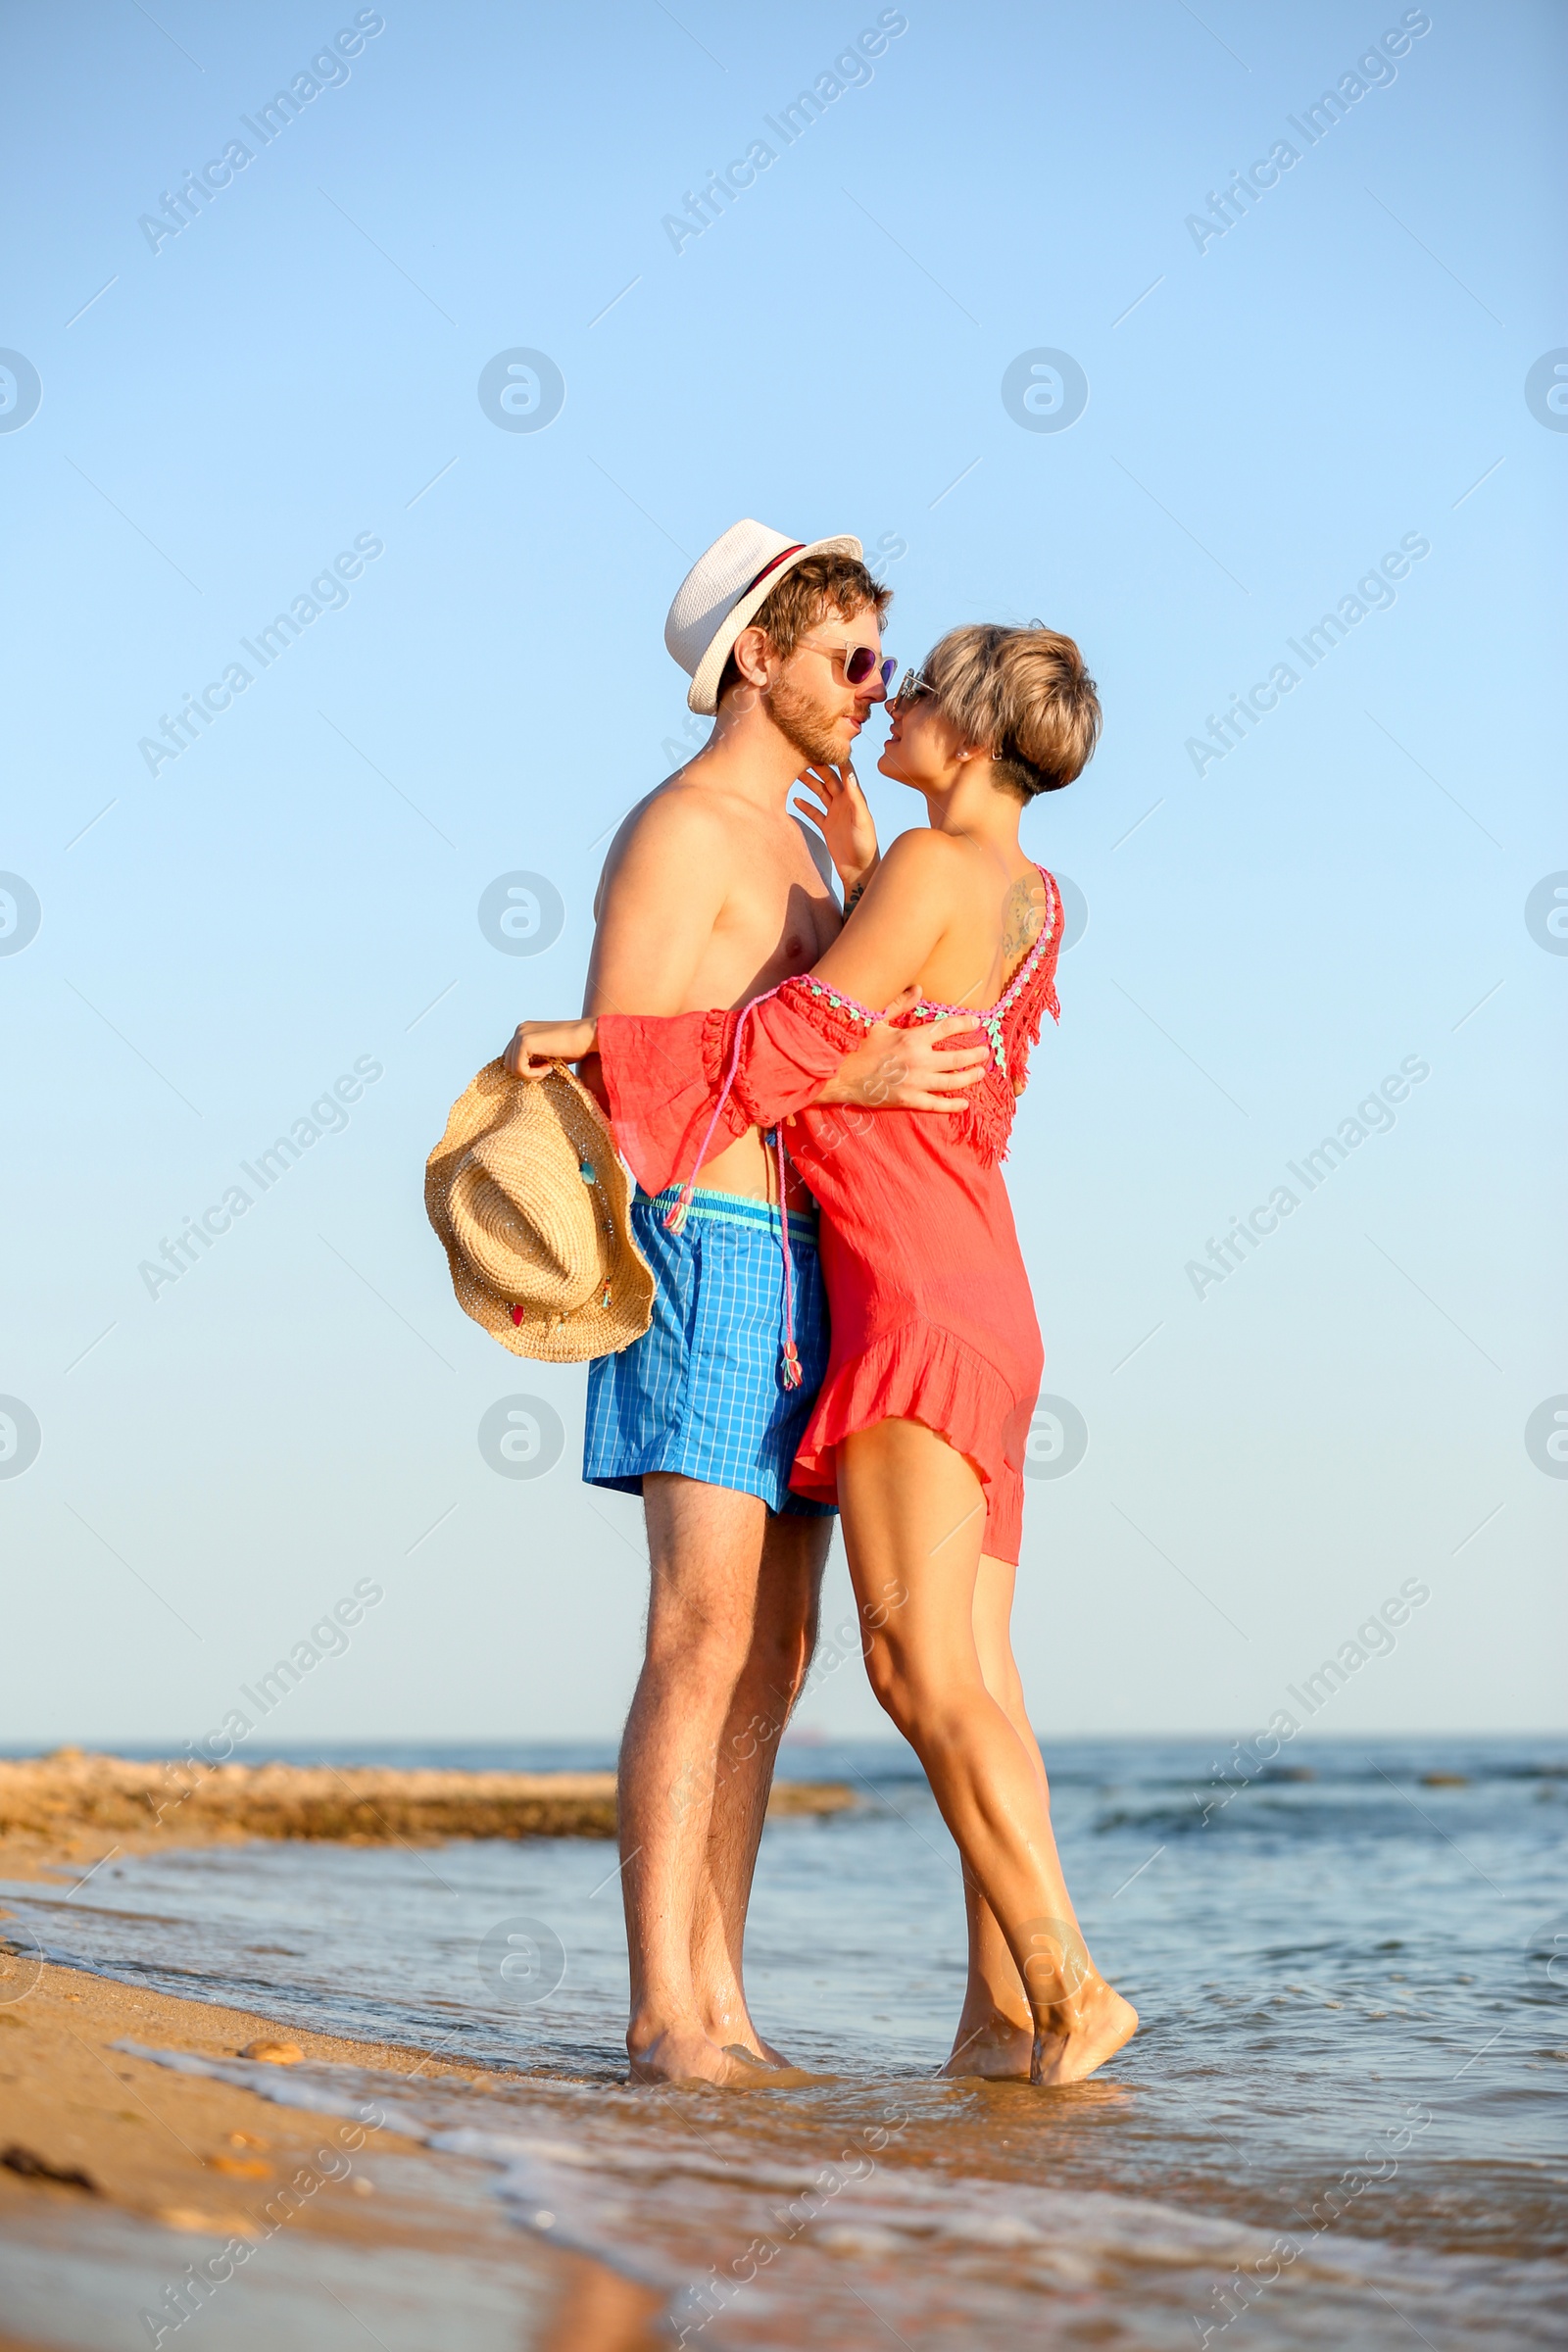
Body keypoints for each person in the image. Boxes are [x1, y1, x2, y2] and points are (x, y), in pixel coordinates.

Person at [513, 622, 1139, 2085]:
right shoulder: (1027, 896)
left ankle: (1069, 1984)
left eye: (915, 686)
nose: (892, 701)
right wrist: (865, 861)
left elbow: (801, 1040)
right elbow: (906, 1017)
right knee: (981, 1668)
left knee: (918, 1669)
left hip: (907, 1293)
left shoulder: (922, 870)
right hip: (992, 1292)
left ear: (971, 737)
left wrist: (596, 1045)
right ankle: (998, 2023)